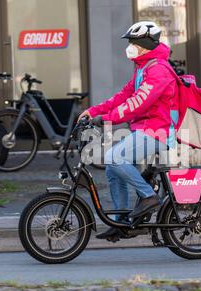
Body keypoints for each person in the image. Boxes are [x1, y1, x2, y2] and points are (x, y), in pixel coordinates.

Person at [78, 21, 178, 240]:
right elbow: (123, 96)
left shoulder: (159, 69)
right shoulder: (143, 67)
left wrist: (105, 119)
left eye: (134, 42)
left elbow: (138, 103)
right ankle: (121, 222)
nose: (130, 46)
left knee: (114, 157)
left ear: (145, 44)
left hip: (158, 131)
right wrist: (93, 111)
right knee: (113, 169)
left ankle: (148, 196)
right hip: (145, 129)